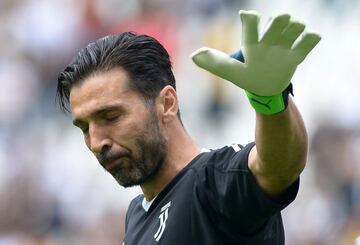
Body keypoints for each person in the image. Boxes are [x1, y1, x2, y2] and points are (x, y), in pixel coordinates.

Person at [56, 10, 320, 245]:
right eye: (84, 128)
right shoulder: (137, 215)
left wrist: (270, 101)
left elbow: (278, 168)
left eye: (111, 116)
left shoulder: (213, 182)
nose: (96, 141)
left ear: (167, 104)